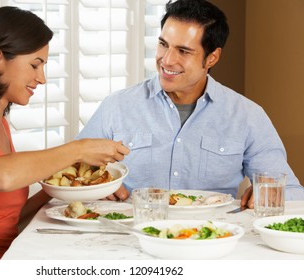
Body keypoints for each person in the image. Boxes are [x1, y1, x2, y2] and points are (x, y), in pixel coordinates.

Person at [0, 6, 129, 260]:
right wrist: (78, 148)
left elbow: (6, 223)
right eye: (35, 65)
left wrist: (78, 188)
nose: (41, 78)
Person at [76, 0, 304, 207]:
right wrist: (95, 186)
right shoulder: (117, 106)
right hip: (133, 238)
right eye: (164, 44)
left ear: (212, 57)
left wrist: (269, 194)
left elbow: (292, 193)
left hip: (213, 240)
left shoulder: (247, 116)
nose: (166, 60)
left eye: (183, 51)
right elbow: (73, 170)